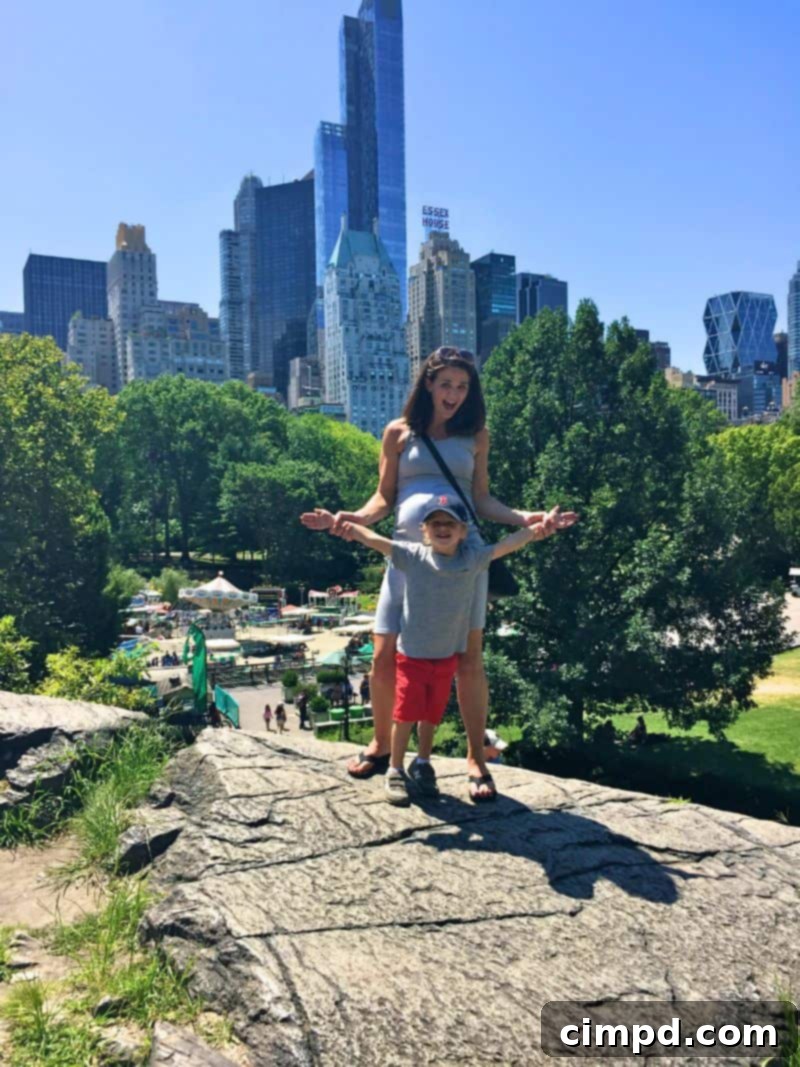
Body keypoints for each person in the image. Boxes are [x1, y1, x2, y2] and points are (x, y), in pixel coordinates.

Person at [301, 346, 578, 801]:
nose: (454, 394)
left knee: (468, 659)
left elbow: (483, 500)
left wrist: (526, 519)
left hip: (461, 562)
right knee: (384, 653)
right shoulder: (397, 433)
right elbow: (383, 498)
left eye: (462, 386)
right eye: (446, 383)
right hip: (408, 558)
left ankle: (474, 755)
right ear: (427, 383)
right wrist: (348, 518)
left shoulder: (476, 435)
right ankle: (382, 744)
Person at [332, 496, 565, 804]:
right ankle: (395, 769)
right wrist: (342, 526)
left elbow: (509, 544)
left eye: (449, 523)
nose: (442, 528)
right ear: (424, 530)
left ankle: (424, 763)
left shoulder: (473, 559)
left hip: (445, 656)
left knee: (431, 714)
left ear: (463, 530)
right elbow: (375, 540)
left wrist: (538, 529)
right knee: (404, 715)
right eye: (435, 523)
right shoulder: (412, 555)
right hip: (412, 655)